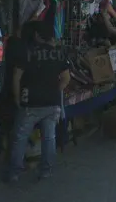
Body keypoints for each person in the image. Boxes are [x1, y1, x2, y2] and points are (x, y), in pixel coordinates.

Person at [7, 21, 70, 182]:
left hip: (31, 102)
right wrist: (55, 90)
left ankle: (14, 172)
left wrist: (16, 97)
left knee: (20, 136)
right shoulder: (58, 53)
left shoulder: (26, 52)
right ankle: (46, 171)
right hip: (52, 102)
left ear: (35, 35)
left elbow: (16, 76)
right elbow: (66, 78)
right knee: (49, 137)